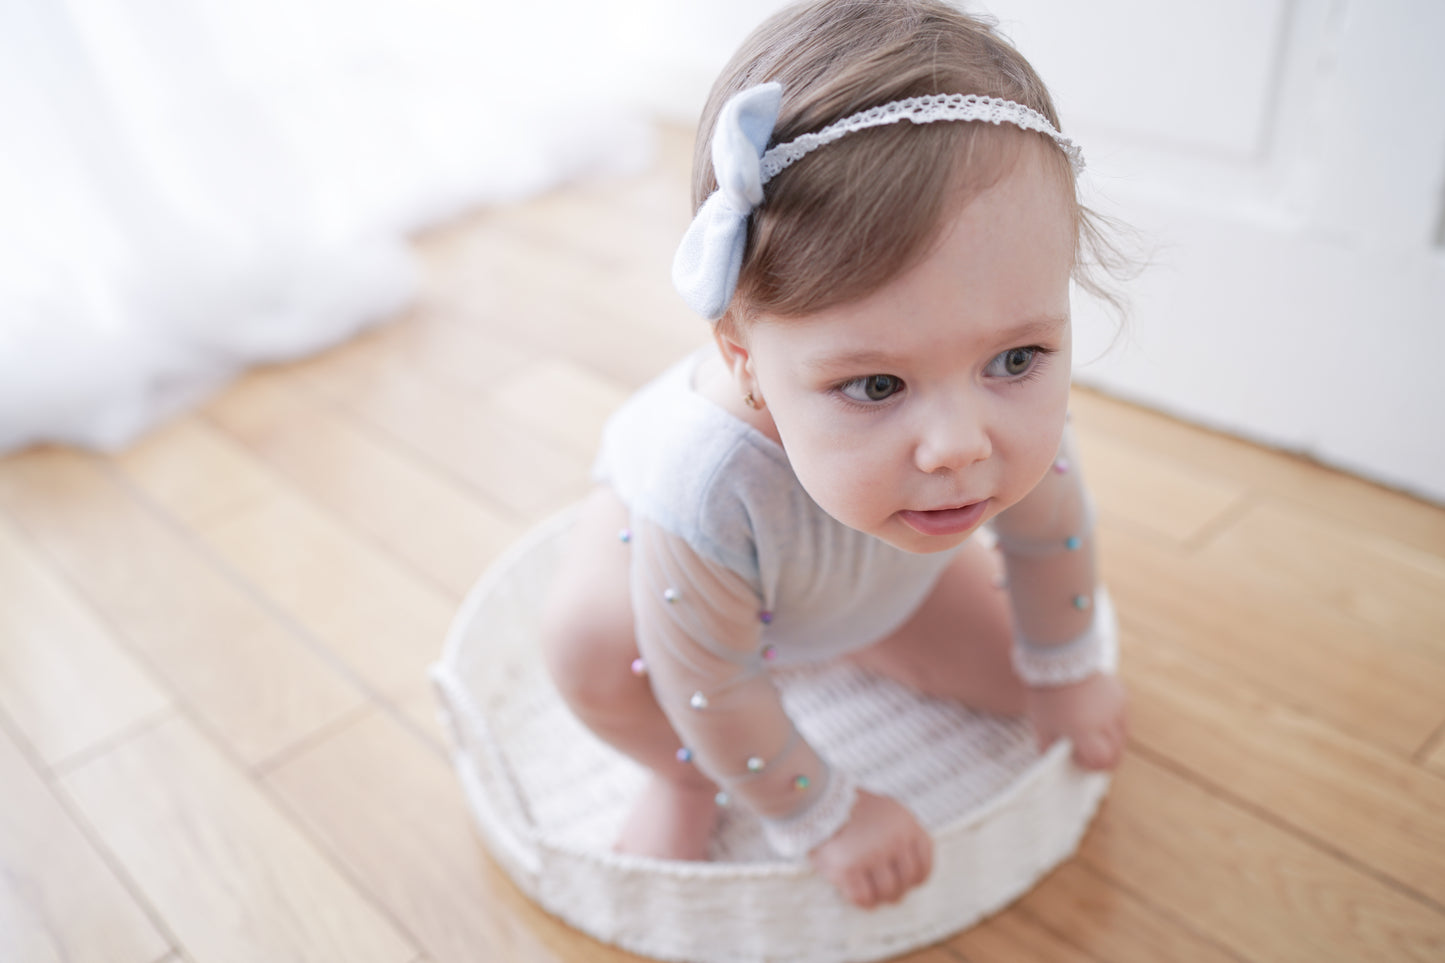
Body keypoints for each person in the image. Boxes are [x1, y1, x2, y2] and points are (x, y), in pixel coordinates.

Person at [540, 0, 1128, 911]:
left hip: (862, 573)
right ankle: (684, 778)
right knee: (590, 655)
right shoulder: (706, 484)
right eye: (877, 385)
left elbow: (1049, 535)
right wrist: (824, 811)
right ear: (742, 354)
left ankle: (857, 639)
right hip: (675, 614)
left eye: (1014, 359)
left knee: (1018, 686)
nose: (957, 445)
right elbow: (708, 682)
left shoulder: (983, 423)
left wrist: (1066, 668)